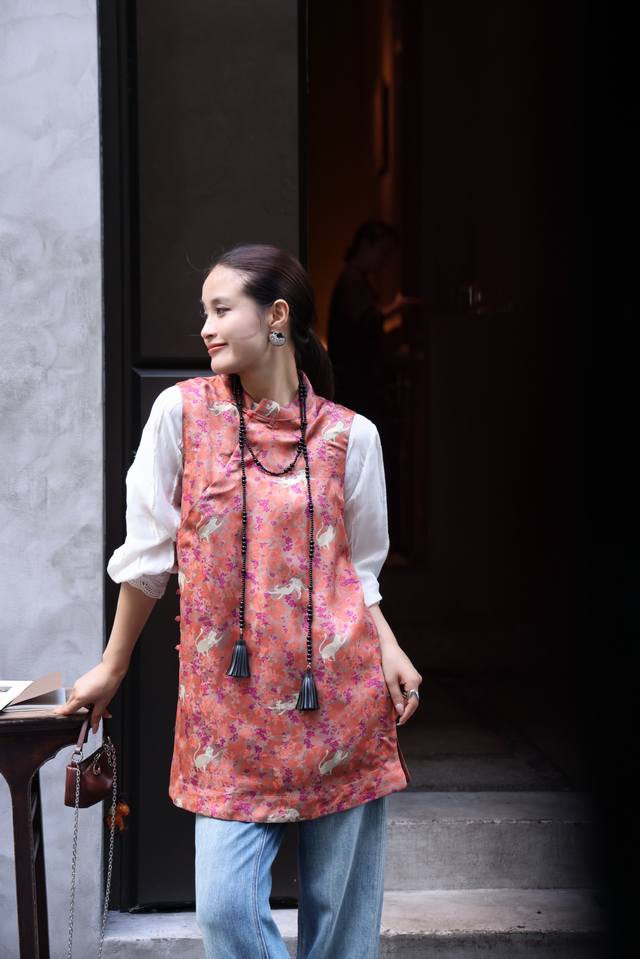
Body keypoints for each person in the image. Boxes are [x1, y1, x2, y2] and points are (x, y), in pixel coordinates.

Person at [53, 243, 422, 958]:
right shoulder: (181, 415)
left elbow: (358, 569)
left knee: (341, 934)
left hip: (340, 705)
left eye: (221, 310)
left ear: (276, 316)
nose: (205, 327)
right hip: (229, 718)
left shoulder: (353, 436)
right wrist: (112, 666)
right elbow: (148, 558)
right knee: (224, 911)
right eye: (205, 312)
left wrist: (389, 645)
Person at [327, 220, 422, 428]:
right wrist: (395, 308)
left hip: (356, 382)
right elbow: (364, 323)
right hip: (356, 382)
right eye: (383, 252)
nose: (383, 261)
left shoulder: (355, 279)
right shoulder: (352, 279)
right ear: (366, 245)